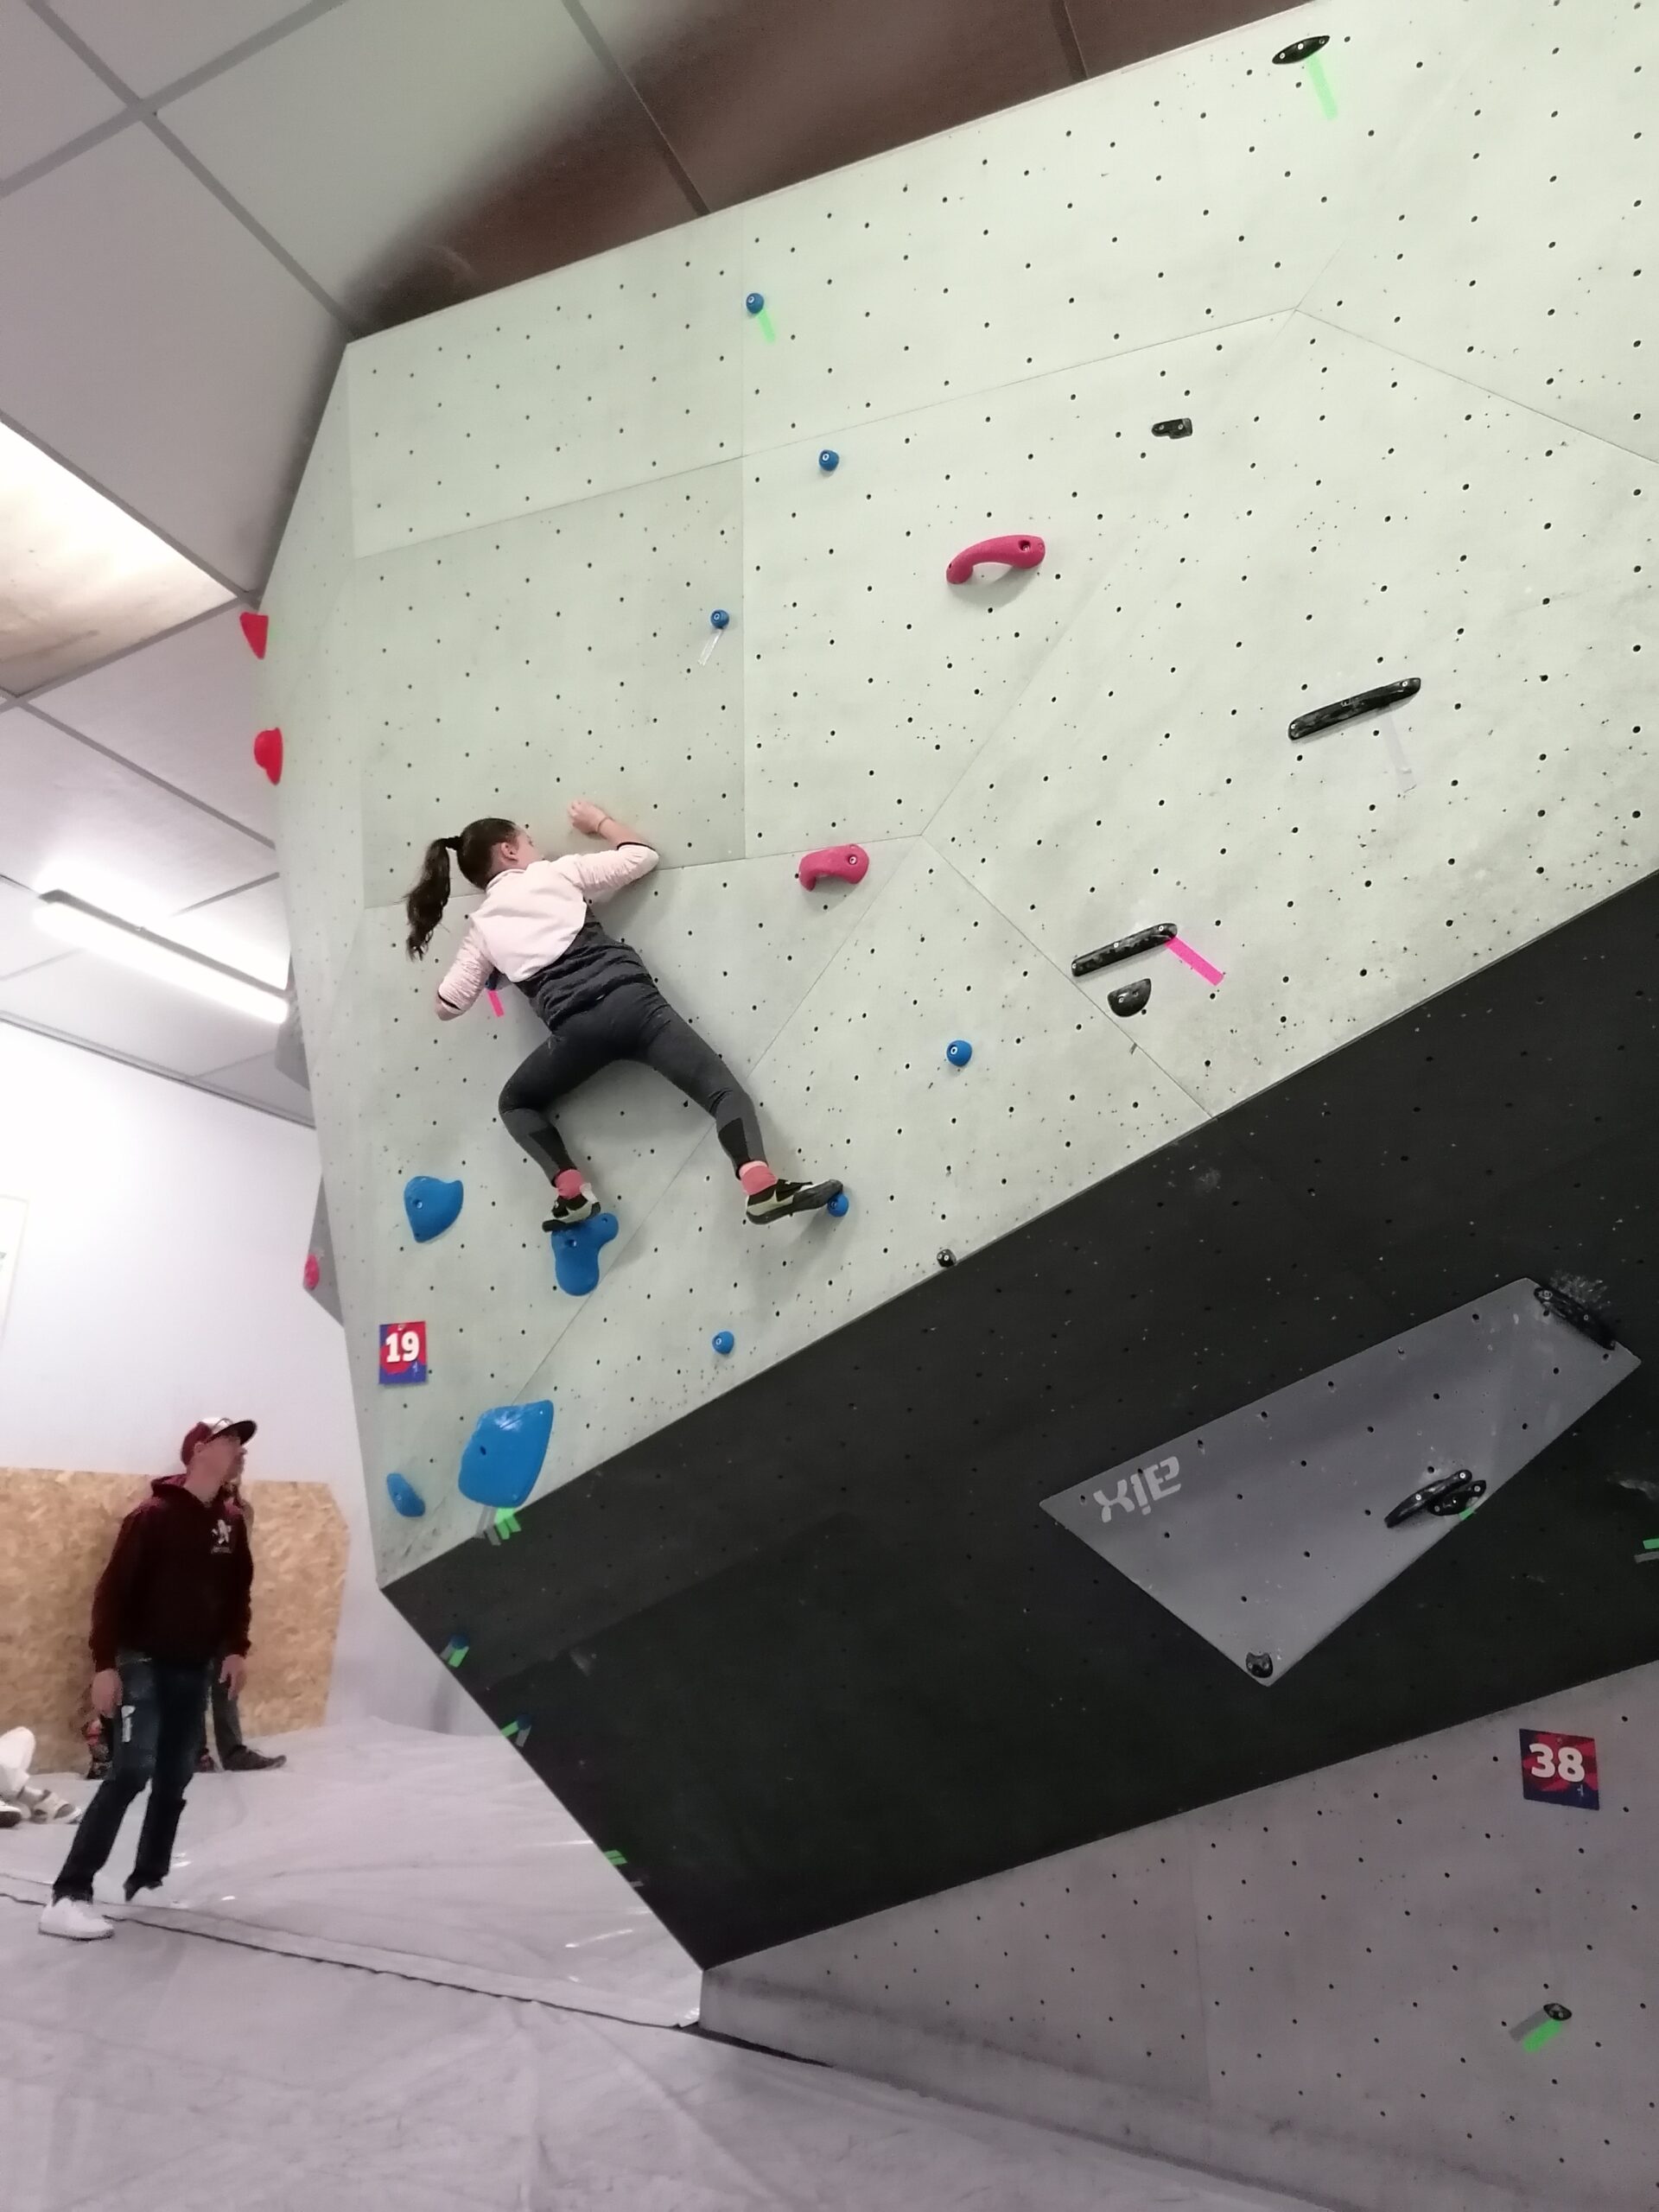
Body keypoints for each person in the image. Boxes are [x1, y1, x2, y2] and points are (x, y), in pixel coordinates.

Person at [404, 801, 842, 1230]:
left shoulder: (481, 929)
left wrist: (496, 969)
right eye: (529, 841)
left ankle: (572, 1193)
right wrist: (599, 822)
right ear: (509, 850)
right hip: (634, 1006)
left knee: (514, 1103)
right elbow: (640, 858)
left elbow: (448, 1005)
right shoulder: (555, 873)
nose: (536, 849)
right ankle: (760, 1186)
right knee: (723, 1093)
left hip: (576, 1035)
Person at [39, 1417, 257, 1942]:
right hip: (141, 1659)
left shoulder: (230, 1520)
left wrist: (235, 1648)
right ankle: (68, 1895)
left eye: (241, 1443)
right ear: (198, 1450)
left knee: (177, 1772)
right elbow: (111, 1592)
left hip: (194, 1664)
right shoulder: (151, 1517)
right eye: (229, 1440)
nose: (239, 1450)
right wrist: (105, 1665)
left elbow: (237, 1592)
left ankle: (147, 1880)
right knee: (132, 1769)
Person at [200, 1465, 284, 1773]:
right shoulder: (190, 1504)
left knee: (228, 1679)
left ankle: (233, 1751)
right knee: (193, 1682)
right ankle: (195, 1753)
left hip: (225, 1606)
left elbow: (239, 1561)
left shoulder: (241, 1509)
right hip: (192, 1608)